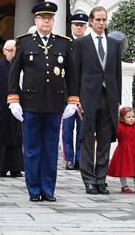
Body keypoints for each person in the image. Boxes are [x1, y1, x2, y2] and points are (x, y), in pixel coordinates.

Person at [8, 1, 79, 202]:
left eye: (49, 18)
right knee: (31, 149)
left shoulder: (63, 43)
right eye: (42, 17)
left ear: (54, 20)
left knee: (49, 149)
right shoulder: (24, 42)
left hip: (55, 104)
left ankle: (48, 189)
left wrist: (73, 101)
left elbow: (72, 75)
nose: (46, 21)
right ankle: (34, 189)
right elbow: (14, 74)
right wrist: (13, 100)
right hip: (31, 103)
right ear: (35, 20)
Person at [73, 6, 122, 195]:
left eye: (104, 20)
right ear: (91, 21)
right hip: (87, 97)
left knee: (104, 139)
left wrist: (116, 100)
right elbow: (75, 73)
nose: (101, 23)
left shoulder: (114, 44)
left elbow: (117, 74)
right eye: (98, 20)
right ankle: (88, 180)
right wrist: (75, 99)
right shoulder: (81, 44)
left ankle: (101, 179)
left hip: (108, 97)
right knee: (87, 138)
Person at [0, 40, 23, 178]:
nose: (12, 53)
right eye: (10, 50)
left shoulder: (22, 67)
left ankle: (16, 168)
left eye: (15, 50)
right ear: (4, 51)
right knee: (0, 139)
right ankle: (0, 168)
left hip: (18, 109)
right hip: (0, 109)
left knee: (16, 138)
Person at [62, 12, 88, 170]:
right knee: (67, 128)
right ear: (71, 26)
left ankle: (79, 158)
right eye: (76, 25)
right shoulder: (65, 44)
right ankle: (69, 158)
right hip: (67, 93)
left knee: (82, 128)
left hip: (85, 93)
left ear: (85, 27)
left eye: (81, 25)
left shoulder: (88, 44)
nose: (78, 28)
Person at [107, 106, 135, 194]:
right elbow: (114, 133)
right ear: (122, 119)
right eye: (128, 117)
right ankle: (124, 186)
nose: (131, 119)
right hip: (124, 151)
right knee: (123, 168)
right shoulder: (119, 127)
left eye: (133, 117)